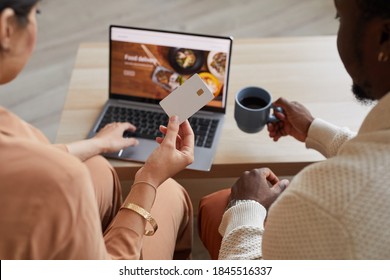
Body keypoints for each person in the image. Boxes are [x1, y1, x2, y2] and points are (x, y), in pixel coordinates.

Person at [0, 0, 194, 259]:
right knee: (168, 191)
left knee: (97, 165)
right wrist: (149, 178)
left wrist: (97, 144)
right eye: (37, 13)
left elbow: (22, 159)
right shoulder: (62, 179)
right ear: (7, 29)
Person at [198, 0, 390, 260]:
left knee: (217, 205)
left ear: (383, 37)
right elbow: (379, 151)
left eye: (339, 18)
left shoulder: (322, 202)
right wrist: (314, 129)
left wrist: (246, 205)